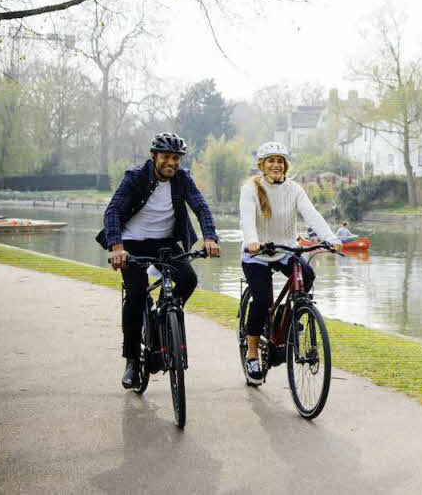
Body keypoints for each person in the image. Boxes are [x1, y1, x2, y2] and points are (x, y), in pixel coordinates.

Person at [97, 132, 221, 389]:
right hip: (132, 243)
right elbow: (114, 211)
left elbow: (201, 207)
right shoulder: (135, 177)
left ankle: (164, 316)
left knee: (188, 279)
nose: (171, 163)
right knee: (135, 294)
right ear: (154, 156)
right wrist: (117, 246)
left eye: (176, 158)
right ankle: (132, 360)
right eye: (166, 157)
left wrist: (210, 237)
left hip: (165, 241)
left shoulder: (183, 179)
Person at [239, 141, 341, 385]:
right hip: (257, 254)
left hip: (286, 249)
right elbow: (246, 218)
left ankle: (287, 318)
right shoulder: (250, 189)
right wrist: (252, 240)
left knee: (307, 276)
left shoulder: (294, 189)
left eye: (280, 160)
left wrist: (331, 238)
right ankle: (252, 354)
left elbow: (312, 214)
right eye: (271, 160)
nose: (276, 164)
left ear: (285, 165)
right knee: (262, 300)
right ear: (262, 165)